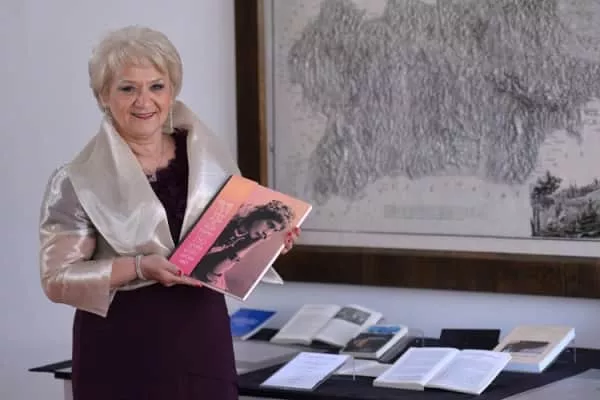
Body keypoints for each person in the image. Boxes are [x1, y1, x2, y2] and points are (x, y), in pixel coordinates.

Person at [38, 25, 300, 400]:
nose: (144, 101)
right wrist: (140, 267)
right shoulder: (76, 180)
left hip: (202, 340)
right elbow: (57, 279)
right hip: (120, 350)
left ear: (172, 90)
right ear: (103, 96)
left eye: (156, 86)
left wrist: (271, 241)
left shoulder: (208, 157)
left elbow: (229, 248)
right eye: (127, 88)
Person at [193, 199, 296, 289]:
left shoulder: (244, 240)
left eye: (274, 230)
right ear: (261, 215)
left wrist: (253, 244)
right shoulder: (227, 219)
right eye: (270, 225)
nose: (267, 233)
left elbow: (213, 274)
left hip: (203, 284)